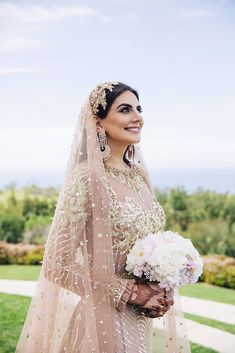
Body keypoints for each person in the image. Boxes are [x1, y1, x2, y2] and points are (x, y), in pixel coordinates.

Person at [15, 81, 191, 353]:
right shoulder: (87, 178)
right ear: (98, 123)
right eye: (124, 109)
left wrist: (156, 288)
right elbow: (55, 264)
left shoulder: (139, 176)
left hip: (139, 320)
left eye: (138, 108)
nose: (137, 117)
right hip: (101, 323)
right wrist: (130, 292)